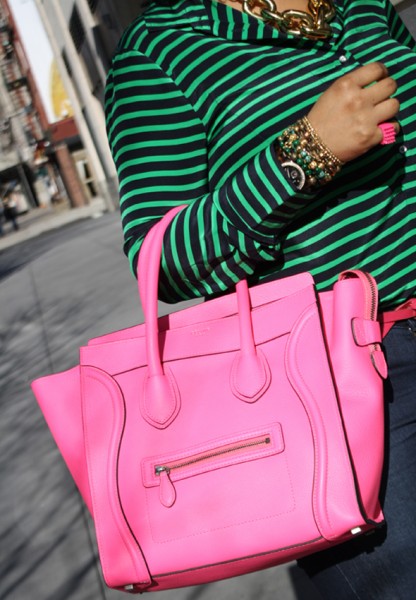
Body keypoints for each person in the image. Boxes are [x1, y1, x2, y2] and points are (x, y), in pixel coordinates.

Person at [105, 1, 416, 598]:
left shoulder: (361, 5)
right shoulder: (161, 48)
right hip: (338, 390)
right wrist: (305, 152)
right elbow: (161, 260)